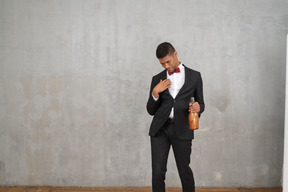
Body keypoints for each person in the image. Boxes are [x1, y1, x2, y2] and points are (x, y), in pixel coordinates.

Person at [146, 42, 205, 192]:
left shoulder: (195, 76)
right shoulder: (156, 79)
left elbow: (201, 104)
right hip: (160, 130)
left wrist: (198, 108)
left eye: (168, 61)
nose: (166, 66)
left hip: (183, 128)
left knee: (184, 170)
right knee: (158, 172)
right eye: (162, 63)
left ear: (175, 54)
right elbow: (151, 110)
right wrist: (155, 93)